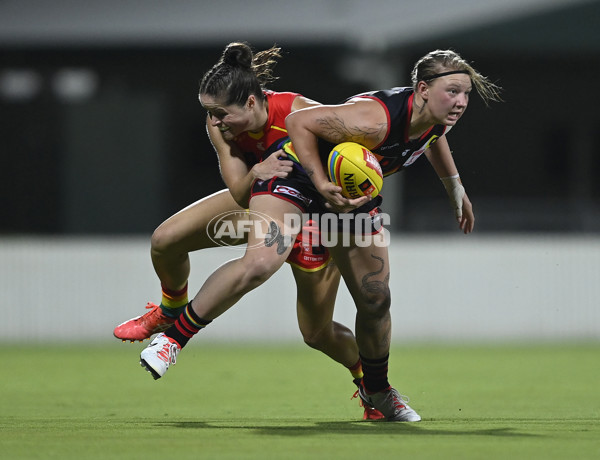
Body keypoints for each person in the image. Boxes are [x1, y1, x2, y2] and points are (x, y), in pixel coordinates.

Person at [139, 48, 500, 422]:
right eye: (453, 91)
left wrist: (455, 188)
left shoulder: (439, 116)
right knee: (261, 262)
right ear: (423, 89)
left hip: (347, 192)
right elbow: (299, 124)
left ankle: (377, 391)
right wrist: (319, 181)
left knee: (375, 299)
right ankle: (171, 339)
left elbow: (431, 136)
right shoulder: (373, 122)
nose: (460, 102)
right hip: (298, 175)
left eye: (465, 93)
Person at [113, 42, 383, 419]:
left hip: (318, 220)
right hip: (264, 201)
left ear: (253, 104)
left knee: (317, 333)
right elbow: (241, 193)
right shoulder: (219, 127)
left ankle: (370, 388)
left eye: (222, 113)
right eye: (210, 112)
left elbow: (351, 162)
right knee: (165, 240)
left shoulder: (299, 112)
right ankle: (172, 310)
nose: (215, 121)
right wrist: (258, 171)